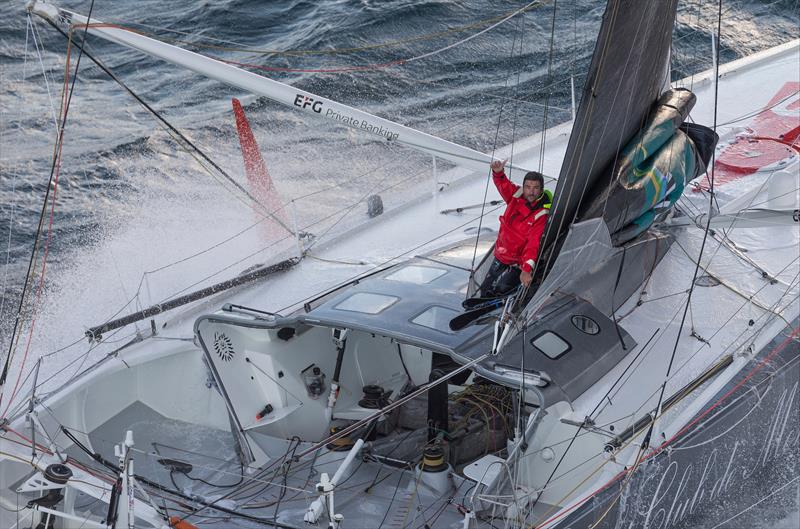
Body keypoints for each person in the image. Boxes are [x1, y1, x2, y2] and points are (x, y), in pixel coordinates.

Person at [478, 159, 551, 297]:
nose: (531, 191)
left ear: (541, 190)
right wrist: (498, 173)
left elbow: (533, 243)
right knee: (485, 289)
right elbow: (503, 185)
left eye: (535, 188)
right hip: (501, 255)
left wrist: (526, 269)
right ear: (523, 187)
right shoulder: (516, 195)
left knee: (501, 291)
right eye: (528, 187)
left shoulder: (541, 214)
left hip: (517, 263)